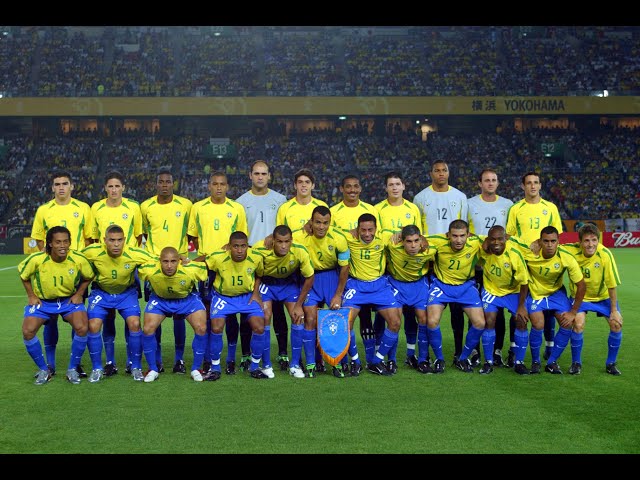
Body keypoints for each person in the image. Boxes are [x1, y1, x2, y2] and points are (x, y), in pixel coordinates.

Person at [31, 170, 93, 377]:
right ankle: (50, 365)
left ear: (72, 186)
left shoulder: (83, 208)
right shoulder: (43, 210)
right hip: (52, 272)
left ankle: (77, 363)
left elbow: (89, 239)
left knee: (78, 319)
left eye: (65, 183)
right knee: (50, 319)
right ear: (52, 187)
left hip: (75, 272)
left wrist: (79, 263)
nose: (61, 187)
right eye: (57, 184)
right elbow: (40, 240)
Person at [188, 171, 248, 374]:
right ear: (209, 186)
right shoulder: (198, 208)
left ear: (228, 186)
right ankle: (208, 359)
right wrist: (207, 255)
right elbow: (193, 238)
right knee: (206, 314)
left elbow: (241, 238)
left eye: (222, 184)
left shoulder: (237, 208)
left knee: (229, 314)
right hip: (207, 267)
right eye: (215, 184)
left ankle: (230, 359)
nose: (219, 187)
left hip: (230, 267)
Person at [19, 226, 94, 385]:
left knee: (82, 327)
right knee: (28, 331)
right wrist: (31, 295)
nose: (63, 246)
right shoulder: (37, 259)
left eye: (66, 242)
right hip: (44, 302)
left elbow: (89, 276)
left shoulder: (78, 258)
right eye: (58, 242)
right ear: (50, 244)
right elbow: (24, 275)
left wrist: (79, 293)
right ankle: (43, 370)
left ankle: (72, 369)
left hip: (68, 301)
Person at [81, 224, 155, 382]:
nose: (116, 244)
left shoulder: (135, 253)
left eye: (119, 240)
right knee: (93, 325)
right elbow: (74, 258)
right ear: (104, 240)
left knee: (134, 324)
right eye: (112, 240)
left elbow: (158, 260)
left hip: (126, 294)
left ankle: (135, 367)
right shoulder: (92, 251)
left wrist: (182, 259)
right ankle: (97, 368)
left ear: (125, 240)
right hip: (102, 293)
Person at [413, 160, 468, 365]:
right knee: (426, 308)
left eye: (444, 170)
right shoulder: (421, 197)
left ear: (449, 172)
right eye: (437, 170)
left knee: (457, 309)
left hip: (454, 256)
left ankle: (458, 350)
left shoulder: (460, 197)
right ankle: (423, 351)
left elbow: (464, 225)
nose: (441, 173)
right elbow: (417, 229)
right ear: (431, 174)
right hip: (429, 258)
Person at [549, 224, 623, 375]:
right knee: (578, 324)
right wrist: (537, 243)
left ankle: (611, 363)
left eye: (594, 240)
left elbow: (612, 285)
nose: (591, 244)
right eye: (587, 240)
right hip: (580, 299)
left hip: (603, 298)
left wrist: (614, 310)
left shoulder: (605, 255)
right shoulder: (570, 250)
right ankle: (576, 363)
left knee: (616, 324)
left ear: (598, 240)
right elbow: (552, 245)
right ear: (580, 242)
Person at [89, 171, 143, 376]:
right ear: (105, 188)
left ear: (123, 188)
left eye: (117, 186)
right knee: (107, 317)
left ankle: (132, 363)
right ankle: (109, 362)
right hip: (104, 266)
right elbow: (93, 238)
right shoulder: (96, 208)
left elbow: (138, 236)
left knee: (132, 319)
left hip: (127, 266)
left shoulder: (133, 207)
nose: (113, 190)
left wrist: (129, 259)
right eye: (110, 186)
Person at [506, 171, 563, 364]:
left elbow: (557, 236)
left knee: (546, 309)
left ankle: (549, 345)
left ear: (540, 185)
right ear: (523, 186)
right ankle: (514, 348)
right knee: (517, 307)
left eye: (536, 183)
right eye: (529, 183)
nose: (532, 186)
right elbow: (510, 236)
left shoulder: (551, 208)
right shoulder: (515, 209)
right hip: (523, 264)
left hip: (544, 265)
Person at [236, 160, 287, 373]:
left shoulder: (280, 200)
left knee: (279, 311)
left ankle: (283, 353)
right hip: (251, 264)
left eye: (263, 173)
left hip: (276, 263)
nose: (260, 177)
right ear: (250, 175)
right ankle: (246, 353)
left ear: (269, 176)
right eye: (256, 173)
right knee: (249, 312)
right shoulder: (240, 202)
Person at [140, 168, 193, 374]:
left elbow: (192, 233)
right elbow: (144, 233)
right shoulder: (146, 206)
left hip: (179, 264)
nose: (164, 185)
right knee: (157, 312)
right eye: (161, 182)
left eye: (168, 182)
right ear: (156, 184)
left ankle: (179, 360)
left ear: (173, 184)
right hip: (155, 266)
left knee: (179, 314)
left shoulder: (186, 205)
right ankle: (159, 359)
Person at [276, 168, 328, 370]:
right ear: (295, 185)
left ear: (313, 185)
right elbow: (281, 236)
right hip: (293, 271)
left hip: (317, 270)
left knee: (315, 317)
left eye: (307, 181)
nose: (304, 185)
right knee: (302, 316)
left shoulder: (321, 206)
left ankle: (318, 356)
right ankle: (291, 356)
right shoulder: (286, 208)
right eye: (300, 182)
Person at [514, 226, 585, 375]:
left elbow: (581, 285)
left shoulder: (566, 257)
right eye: (545, 241)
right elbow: (509, 240)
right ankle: (536, 362)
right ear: (539, 242)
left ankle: (552, 361)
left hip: (555, 293)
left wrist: (573, 312)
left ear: (558, 241)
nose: (550, 245)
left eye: (553, 241)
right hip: (535, 294)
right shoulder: (529, 253)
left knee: (567, 323)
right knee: (538, 324)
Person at [199, 231, 268, 380]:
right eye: (235, 246)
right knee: (216, 327)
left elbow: (259, 274)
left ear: (247, 246)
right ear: (229, 247)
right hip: (224, 298)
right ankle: (215, 368)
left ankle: (255, 366)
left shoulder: (256, 257)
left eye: (243, 246)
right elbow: (202, 262)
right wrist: (183, 262)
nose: (239, 250)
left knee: (259, 327)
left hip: (247, 297)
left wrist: (256, 293)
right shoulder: (218, 257)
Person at [342, 213, 403, 376]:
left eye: (370, 230)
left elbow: (412, 234)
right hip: (356, 285)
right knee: (344, 323)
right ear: (357, 228)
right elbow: (330, 231)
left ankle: (376, 361)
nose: (367, 234)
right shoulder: (348, 237)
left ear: (376, 229)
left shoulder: (384, 236)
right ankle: (355, 361)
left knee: (395, 322)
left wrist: (407, 235)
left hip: (379, 286)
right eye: (363, 230)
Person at [330, 174, 381, 368]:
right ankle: (349, 357)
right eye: (348, 187)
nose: (352, 190)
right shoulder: (334, 211)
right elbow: (331, 237)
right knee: (348, 315)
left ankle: (369, 357)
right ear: (342, 189)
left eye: (356, 186)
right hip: (342, 270)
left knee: (367, 314)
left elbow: (378, 236)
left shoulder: (370, 209)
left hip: (365, 271)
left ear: (360, 188)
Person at [137, 246, 209, 382]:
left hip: (187, 300)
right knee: (147, 329)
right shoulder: (149, 269)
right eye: (165, 261)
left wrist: (187, 259)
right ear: (160, 261)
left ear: (179, 261)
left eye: (173, 261)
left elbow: (205, 270)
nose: (169, 266)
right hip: (160, 300)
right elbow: (140, 264)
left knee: (201, 328)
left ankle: (196, 368)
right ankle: (153, 368)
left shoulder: (191, 269)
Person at [252, 225, 315, 379]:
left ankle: (294, 364)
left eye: (287, 241)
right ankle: (266, 365)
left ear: (291, 241)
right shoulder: (260, 249)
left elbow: (310, 277)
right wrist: (255, 294)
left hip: (288, 284)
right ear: (272, 241)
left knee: (297, 317)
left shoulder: (300, 250)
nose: (283, 245)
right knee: (265, 317)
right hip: (268, 284)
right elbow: (252, 271)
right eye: (279, 241)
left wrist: (299, 305)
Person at [374, 171, 422, 369]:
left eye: (397, 184)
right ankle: (385, 355)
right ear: (386, 188)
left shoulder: (413, 209)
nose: (394, 187)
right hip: (387, 269)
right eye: (390, 184)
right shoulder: (378, 209)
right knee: (385, 314)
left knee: (411, 314)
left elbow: (419, 237)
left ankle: (410, 353)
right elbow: (375, 238)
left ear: (404, 186)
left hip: (409, 270)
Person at [296, 205, 350, 378]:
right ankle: (311, 363)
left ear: (330, 223)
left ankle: (337, 363)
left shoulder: (338, 238)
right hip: (311, 280)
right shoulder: (300, 236)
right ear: (311, 222)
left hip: (332, 279)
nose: (321, 227)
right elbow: (280, 237)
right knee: (310, 319)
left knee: (336, 319)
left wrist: (338, 294)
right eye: (318, 222)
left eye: (325, 223)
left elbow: (344, 268)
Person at [424, 219, 485, 374]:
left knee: (479, 323)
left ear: (468, 235)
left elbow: (497, 237)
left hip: (466, 286)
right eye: (455, 236)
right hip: (441, 286)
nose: (458, 240)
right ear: (448, 235)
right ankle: (439, 358)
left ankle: (462, 358)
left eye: (462, 236)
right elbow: (418, 237)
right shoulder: (438, 240)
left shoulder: (476, 241)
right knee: (431, 321)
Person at [467, 168, 514, 367]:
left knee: (498, 311)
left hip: (498, 268)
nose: (490, 183)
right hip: (477, 266)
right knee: (476, 310)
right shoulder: (469, 203)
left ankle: (496, 350)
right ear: (479, 183)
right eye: (486, 180)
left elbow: (510, 234)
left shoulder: (507, 205)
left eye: (494, 180)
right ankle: (475, 350)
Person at [477, 225, 529, 374]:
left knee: (521, 320)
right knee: (489, 320)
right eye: (492, 239)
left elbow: (524, 283)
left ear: (505, 238)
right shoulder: (483, 248)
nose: (496, 242)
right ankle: (488, 362)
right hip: (491, 290)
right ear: (487, 239)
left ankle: (519, 362)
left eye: (500, 238)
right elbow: (470, 237)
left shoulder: (514, 254)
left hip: (512, 292)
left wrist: (521, 306)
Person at [385, 224, 435, 374]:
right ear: (402, 241)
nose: (413, 245)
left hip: (418, 286)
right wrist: (395, 233)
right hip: (396, 285)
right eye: (409, 241)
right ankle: (391, 360)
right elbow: (377, 234)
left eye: (416, 241)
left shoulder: (430, 248)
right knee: (395, 321)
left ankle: (422, 359)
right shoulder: (392, 245)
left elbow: (445, 239)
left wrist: (424, 239)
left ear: (420, 239)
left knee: (423, 319)